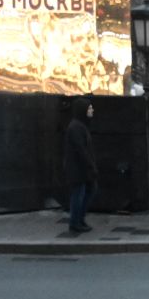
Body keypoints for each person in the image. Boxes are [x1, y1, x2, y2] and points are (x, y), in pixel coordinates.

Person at [63, 98, 97, 235]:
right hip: (77, 169)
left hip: (81, 169)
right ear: (83, 111)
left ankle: (79, 220)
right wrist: (90, 166)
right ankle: (75, 222)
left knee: (87, 192)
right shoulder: (76, 127)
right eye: (89, 108)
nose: (92, 110)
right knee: (79, 194)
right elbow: (81, 150)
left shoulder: (80, 125)